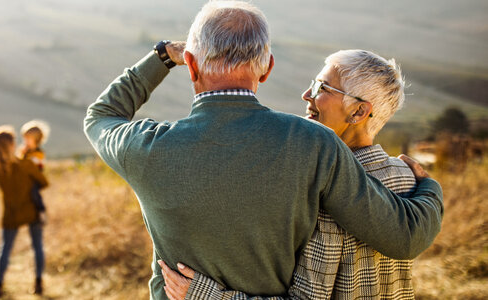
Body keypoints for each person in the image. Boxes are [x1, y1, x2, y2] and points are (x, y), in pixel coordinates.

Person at [82, 1, 443, 299]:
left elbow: (101, 116)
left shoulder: (145, 147)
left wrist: (162, 57)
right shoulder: (315, 143)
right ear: (267, 69)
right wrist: (429, 187)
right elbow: (403, 235)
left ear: (191, 66)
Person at [160, 50, 424, 299]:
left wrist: (206, 295)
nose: (306, 94)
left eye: (322, 88)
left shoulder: (320, 192)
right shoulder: (408, 177)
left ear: (358, 112)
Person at [0, 125, 49, 297]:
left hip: (10, 212)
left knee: (5, 249)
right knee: (37, 246)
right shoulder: (26, 164)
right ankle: (38, 283)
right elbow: (44, 182)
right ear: (11, 145)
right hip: (31, 210)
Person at [18, 120, 50, 223]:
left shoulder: (39, 153)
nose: (25, 141)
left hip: (35, 179)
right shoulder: (26, 151)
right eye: (24, 138)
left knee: (34, 193)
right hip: (25, 179)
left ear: (36, 139)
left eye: (28, 139)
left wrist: (26, 158)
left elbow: (36, 165)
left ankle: (41, 210)